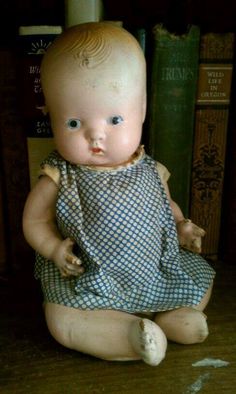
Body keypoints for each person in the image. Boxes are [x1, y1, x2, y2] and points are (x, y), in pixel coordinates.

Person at [23, 22, 215, 366]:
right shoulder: (59, 174)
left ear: (141, 111)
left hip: (154, 271)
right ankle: (130, 336)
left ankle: (171, 319)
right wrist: (53, 248)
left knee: (200, 279)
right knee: (61, 319)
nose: (95, 137)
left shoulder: (152, 170)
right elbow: (35, 219)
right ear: (49, 114)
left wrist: (182, 225)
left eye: (114, 119)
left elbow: (164, 207)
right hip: (90, 281)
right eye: (73, 124)